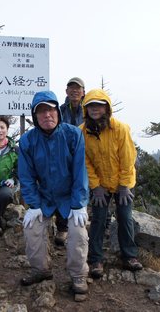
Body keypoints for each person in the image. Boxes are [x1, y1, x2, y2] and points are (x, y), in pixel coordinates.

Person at [18, 90, 90, 295]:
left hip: (70, 196)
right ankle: (40, 269)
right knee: (32, 228)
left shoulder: (72, 134)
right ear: (35, 116)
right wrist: (34, 204)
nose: (46, 115)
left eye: (50, 110)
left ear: (57, 112)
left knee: (77, 231)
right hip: (45, 196)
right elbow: (26, 176)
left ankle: (78, 276)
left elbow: (80, 172)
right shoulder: (27, 141)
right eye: (41, 112)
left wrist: (79, 203)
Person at [79, 88, 143, 279]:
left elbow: (128, 158)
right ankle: (96, 259)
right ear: (85, 109)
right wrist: (96, 187)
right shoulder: (83, 132)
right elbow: (85, 161)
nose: (94, 109)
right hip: (101, 184)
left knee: (125, 216)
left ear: (107, 108)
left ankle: (129, 256)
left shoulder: (120, 128)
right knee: (98, 219)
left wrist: (124, 186)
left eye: (99, 105)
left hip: (123, 182)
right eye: (90, 105)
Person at [53, 77, 86, 246]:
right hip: (64, 155)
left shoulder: (89, 109)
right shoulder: (60, 110)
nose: (74, 91)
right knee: (62, 188)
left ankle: (87, 226)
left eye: (78, 88)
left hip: (86, 154)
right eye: (71, 88)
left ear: (83, 92)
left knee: (88, 189)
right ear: (66, 92)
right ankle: (62, 228)